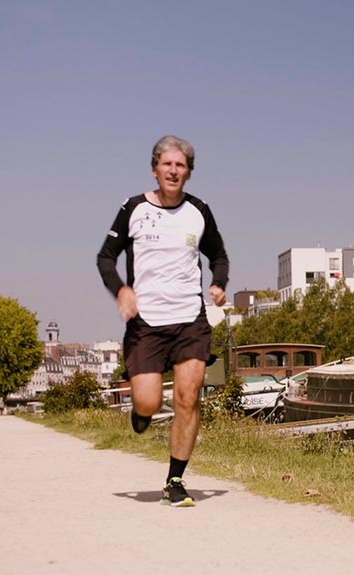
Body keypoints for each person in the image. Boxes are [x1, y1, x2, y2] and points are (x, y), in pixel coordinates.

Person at [96, 135, 228, 507]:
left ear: (189, 172)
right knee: (150, 402)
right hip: (147, 324)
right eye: (167, 164)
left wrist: (218, 283)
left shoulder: (198, 211)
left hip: (190, 321)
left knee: (188, 397)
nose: (173, 170)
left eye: (180, 165)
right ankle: (141, 413)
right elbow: (106, 257)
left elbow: (219, 256)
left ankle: (175, 479)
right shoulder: (134, 209)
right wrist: (122, 291)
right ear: (155, 169)